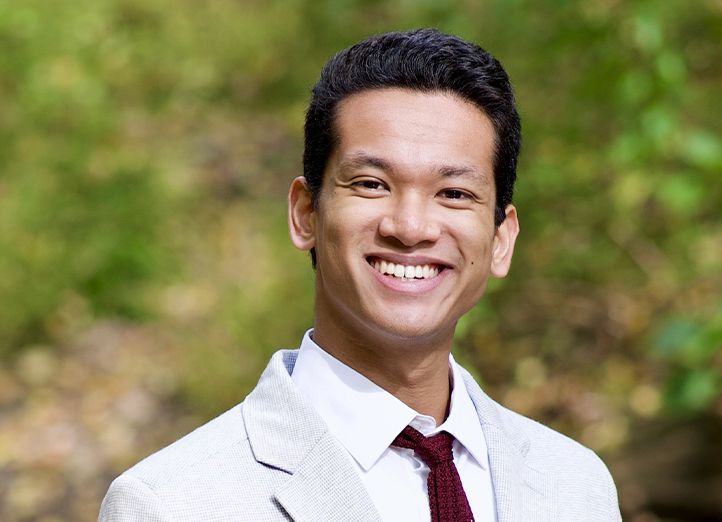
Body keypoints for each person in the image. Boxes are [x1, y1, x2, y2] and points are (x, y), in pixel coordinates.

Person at [98, 29, 622, 522]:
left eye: (455, 194)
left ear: (501, 239)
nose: (411, 227)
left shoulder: (575, 485)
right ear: (306, 213)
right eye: (372, 184)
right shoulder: (170, 504)